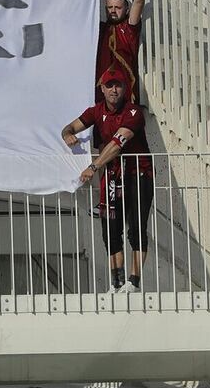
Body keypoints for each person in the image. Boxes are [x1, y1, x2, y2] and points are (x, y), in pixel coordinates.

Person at [64, 70, 155, 292]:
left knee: (136, 228)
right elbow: (70, 127)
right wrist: (67, 134)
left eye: (118, 85)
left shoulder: (133, 112)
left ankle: (133, 283)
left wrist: (93, 167)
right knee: (110, 229)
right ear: (102, 89)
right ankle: (117, 283)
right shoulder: (96, 111)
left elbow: (116, 144)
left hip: (138, 174)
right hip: (113, 177)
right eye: (109, 85)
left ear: (125, 89)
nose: (114, 90)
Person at [98, 0, 155, 101]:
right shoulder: (100, 29)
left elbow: (139, 0)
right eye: (110, 7)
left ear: (126, 9)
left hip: (124, 92)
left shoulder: (129, 28)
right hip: (101, 92)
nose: (113, 10)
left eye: (117, 7)